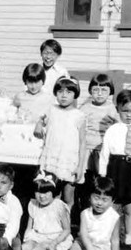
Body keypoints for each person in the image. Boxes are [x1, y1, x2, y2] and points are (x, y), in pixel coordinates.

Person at [99, 90, 131, 249]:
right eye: (125, 111)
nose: (129, 115)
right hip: (115, 168)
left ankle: (128, 239)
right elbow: (105, 153)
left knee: (129, 207)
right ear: (118, 109)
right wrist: (102, 175)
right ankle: (109, 237)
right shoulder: (112, 130)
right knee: (112, 207)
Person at [34, 76, 86, 212]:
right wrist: (39, 124)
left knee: (68, 197)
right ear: (56, 93)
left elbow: (82, 142)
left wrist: (80, 166)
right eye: (60, 92)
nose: (64, 96)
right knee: (51, 193)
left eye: (69, 92)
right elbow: (41, 119)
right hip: (52, 159)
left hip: (69, 161)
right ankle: (50, 224)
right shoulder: (51, 110)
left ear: (75, 94)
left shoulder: (79, 115)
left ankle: (65, 225)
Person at [79, 74, 118, 205]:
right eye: (95, 90)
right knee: (86, 178)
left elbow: (118, 126)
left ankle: (100, 204)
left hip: (101, 149)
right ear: (90, 91)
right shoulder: (85, 107)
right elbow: (77, 123)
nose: (99, 94)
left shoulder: (111, 109)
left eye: (104, 90)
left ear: (110, 92)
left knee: (100, 178)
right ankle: (84, 206)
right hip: (86, 148)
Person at [22, 170, 73, 250]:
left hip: (56, 238)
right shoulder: (33, 204)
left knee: (43, 248)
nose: (42, 196)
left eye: (46, 192)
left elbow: (67, 229)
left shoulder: (58, 206)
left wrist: (55, 242)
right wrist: (27, 241)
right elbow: (29, 227)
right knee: (26, 247)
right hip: (37, 237)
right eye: (38, 192)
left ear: (53, 191)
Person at [71, 177, 120, 250]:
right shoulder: (85, 214)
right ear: (89, 197)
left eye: (104, 200)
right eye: (96, 198)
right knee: (75, 247)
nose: (99, 203)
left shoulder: (114, 217)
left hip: (102, 247)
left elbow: (115, 240)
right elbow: (84, 235)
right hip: (84, 244)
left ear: (112, 201)